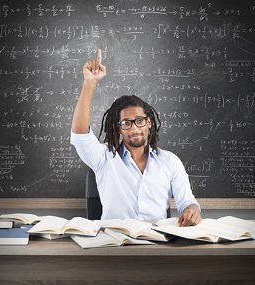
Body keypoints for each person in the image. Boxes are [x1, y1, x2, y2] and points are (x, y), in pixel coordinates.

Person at [71, 49, 201, 226]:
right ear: (118, 129)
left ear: (149, 123)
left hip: (157, 243)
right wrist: (90, 83)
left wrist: (191, 211)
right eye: (126, 123)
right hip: (115, 243)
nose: (134, 128)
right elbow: (80, 136)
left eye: (139, 121)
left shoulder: (170, 162)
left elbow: (187, 201)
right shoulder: (104, 158)